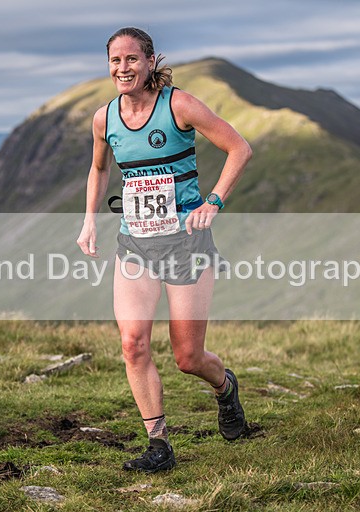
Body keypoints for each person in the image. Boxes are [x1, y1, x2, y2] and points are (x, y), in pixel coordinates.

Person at [76, 27, 252, 473]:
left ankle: (225, 387)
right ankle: (159, 445)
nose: (123, 68)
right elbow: (98, 170)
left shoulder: (179, 105)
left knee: (187, 358)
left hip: (186, 244)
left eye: (132, 59)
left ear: (151, 61)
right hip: (134, 244)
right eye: (115, 61)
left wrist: (213, 202)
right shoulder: (105, 118)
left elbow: (239, 147)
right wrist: (89, 220)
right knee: (133, 344)